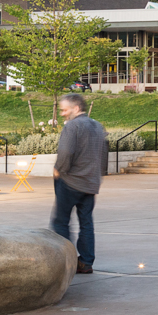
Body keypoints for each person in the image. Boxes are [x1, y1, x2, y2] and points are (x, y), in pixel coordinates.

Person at [50, 91, 108, 274]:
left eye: (65, 110)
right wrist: (98, 176)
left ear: (76, 108)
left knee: (61, 221)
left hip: (70, 181)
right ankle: (86, 262)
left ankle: (65, 261)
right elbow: (104, 154)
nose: (62, 113)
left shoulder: (72, 127)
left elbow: (66, 152)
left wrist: (59, 169)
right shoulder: (98, 126)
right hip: (90, 183)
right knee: (86, 222)